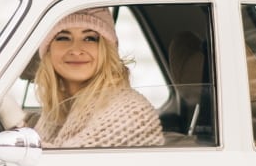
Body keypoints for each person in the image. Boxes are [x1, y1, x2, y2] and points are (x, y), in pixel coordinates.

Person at [27, 8, 164, 148]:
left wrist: (14, 117)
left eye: (89, 38)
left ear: (107, 50)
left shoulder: (130, 113)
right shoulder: (58, 111)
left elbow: (64, 165)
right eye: (63, 38)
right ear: (48, 51)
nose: (76, 50)